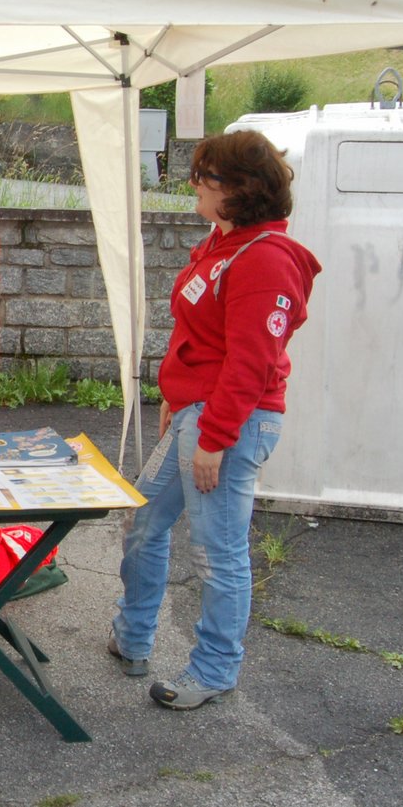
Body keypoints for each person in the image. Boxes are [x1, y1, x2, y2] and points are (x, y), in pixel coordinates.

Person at [109, 130, 321, 710]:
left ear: (238, 190)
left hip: (230, 421)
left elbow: (252, 361)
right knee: (143, 523)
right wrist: (177, 404)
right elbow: (200, 335)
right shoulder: (222, 242)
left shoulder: (266, 260)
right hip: (199, 415)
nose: (195, 185)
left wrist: (214, 436)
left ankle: (215, 671)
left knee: (217, 552)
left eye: (206, 177)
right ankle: (132, 638)